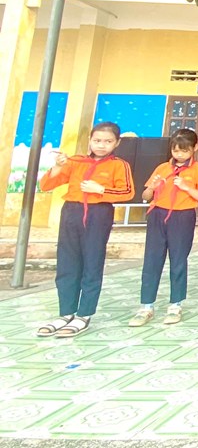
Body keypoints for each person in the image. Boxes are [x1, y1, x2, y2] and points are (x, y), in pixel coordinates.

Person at [36, 122, 134, 338]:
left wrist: (101, 189)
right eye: (97, 140)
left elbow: (127, 192)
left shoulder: (119, 165)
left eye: (108, 141)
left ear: (117, 143)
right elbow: (46, 185)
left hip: (99, 214)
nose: (101, 145)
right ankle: (66, 312)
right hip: (71, 212)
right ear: (90, 140)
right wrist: (58, 167)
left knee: (92, 262)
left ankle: (84, 314)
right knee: (67, 262)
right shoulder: (75, 161)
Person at [130, 128, 198, 327]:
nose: (179, 154)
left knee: (178, 261)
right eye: (176, 150)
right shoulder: (162, 168)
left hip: (183, 217)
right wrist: (152, 187)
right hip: (158, 215)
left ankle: (175, 305)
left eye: (184, 150)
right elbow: (145, 196)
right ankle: (146, 306)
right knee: (152, 260)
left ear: (195, 148)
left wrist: (186, 187)